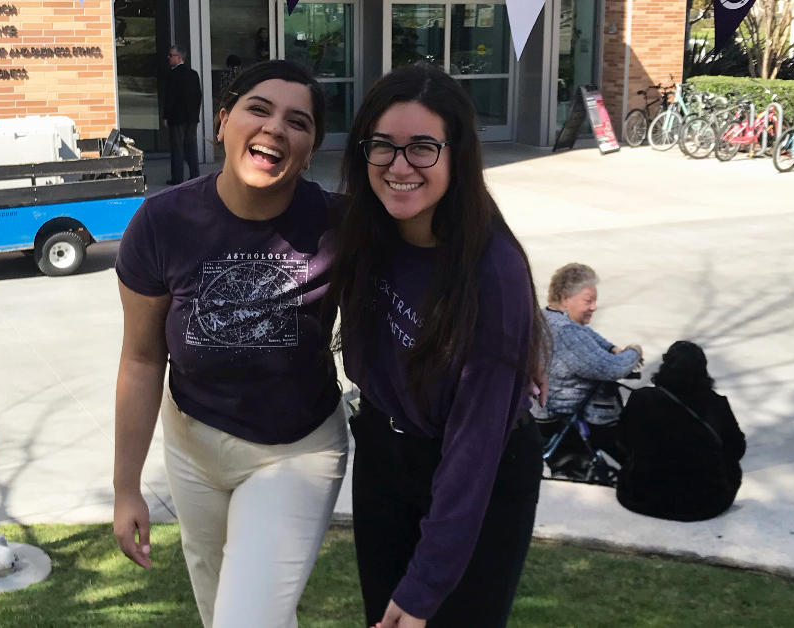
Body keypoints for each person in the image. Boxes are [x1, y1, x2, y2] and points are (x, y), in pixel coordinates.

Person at [113, 60, 343, 628]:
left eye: (298, 122)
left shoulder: (341, 224)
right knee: (222, 611)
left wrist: (524, 324)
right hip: (191, 447)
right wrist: (126, 488)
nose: (274, 129)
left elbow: (441, 246)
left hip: (296, 450)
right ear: (222, 122)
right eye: (258, 109)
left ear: (310, 149)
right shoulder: (162, 222)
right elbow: (142, 359)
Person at [328, 63, 548, 628]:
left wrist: (426, 586)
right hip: (384, 454)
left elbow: (473, 450)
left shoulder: (490, 273)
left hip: (480, 473)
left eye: (422, 147)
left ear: (457, 154)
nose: (400, 167)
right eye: (384, 146)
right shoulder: (362, 227)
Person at [617, 341, 746, 522]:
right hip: (701, 505)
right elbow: (736, 450)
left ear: (665, 366)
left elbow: (623, 440)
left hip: (640, 497)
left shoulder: (642, 398)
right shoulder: (716, 405)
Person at [538, 263, 642, 466]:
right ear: (565, 298)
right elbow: (613, 368)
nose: (594, 307)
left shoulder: (546, 316)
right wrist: (634, 351)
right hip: (577, 415)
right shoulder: (567, 332)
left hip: (547, 410)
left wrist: (612, 348)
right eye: (588, 300)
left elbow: (588, 335)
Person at [161, 45, 202, 185]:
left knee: (177, 148)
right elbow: (198, 96)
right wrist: (195, 114)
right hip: (191, 117)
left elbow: (170, 98)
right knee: (191, 146)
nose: (169, 57)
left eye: (171, 55)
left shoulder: (173, 75)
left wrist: (166, 116)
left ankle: (177, 177)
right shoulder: (193, 74)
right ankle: (195, 175)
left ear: (179, 57)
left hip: (177, 117)